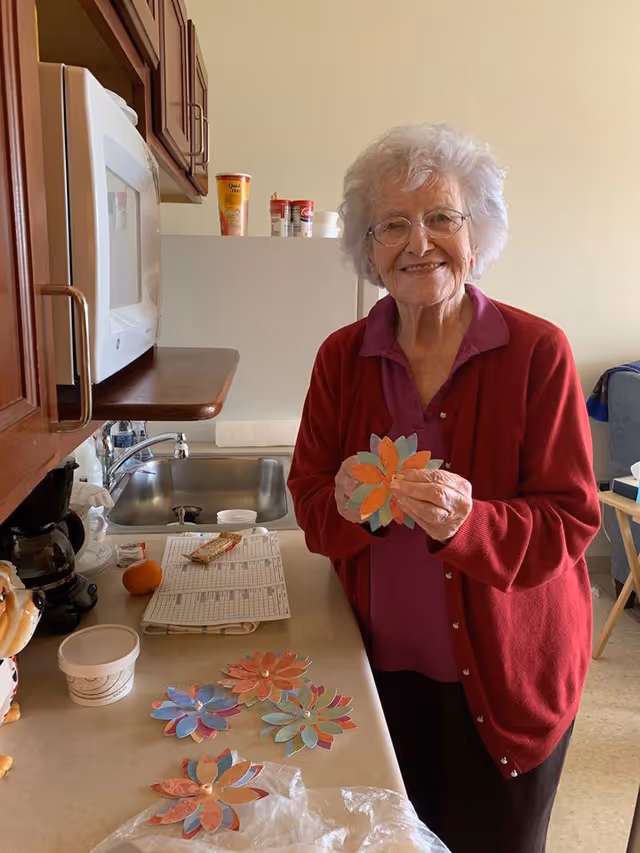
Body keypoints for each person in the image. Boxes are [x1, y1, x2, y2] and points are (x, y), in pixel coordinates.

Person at [288, 123, 600, 853]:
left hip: (507, 682)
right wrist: (347, 510)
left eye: (441, 217)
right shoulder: (342, 358)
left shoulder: (536, 351)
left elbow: (569, 521)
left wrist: (470, 522)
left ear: (478, 231)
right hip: (377, 676)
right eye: (390, 224)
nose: (417, 242)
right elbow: (307, 497)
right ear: (367, 249)